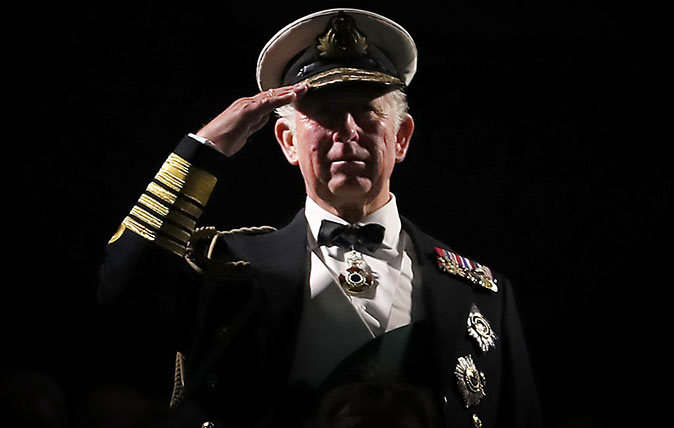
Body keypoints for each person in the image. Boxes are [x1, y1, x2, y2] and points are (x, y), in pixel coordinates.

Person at [99, 8, 542, 428]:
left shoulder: (481, 293)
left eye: (367, 112)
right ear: (288, 141)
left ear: (401, 138)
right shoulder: (227, 268)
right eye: (325, 112)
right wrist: (203, 152)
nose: (347, 131)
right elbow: (124, 301)